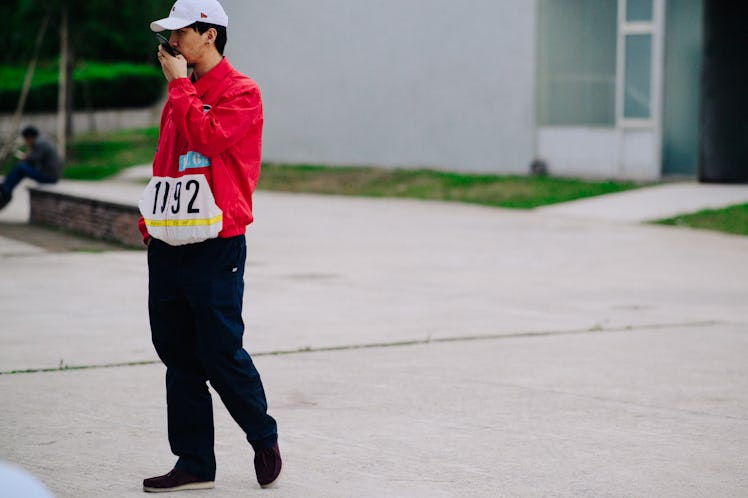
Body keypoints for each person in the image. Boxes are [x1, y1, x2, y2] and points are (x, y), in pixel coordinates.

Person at [138, 0, 281, 492]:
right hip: (169, 242)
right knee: (177, 355)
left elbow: (210, 136)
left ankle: (262, 434)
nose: (172, 43)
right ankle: (194, 462)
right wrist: (148, 224)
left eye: (181, 33)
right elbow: (167, 163)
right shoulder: (183, 94)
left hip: (217, 242)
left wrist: (179, 85)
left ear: (210, 35)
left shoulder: (241, 92)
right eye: (171, 35)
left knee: (220, 350)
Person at [0, 126, 62, 210]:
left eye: (26, 140)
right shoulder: (43, 141)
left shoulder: (40, 143)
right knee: (21, 169)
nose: (26, 142)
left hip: (49, 177)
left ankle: (6, 188)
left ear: (29, 138)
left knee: (21, 168)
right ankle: (6, 188)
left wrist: (27, 155)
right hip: (49, 174)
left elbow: (32, 161)